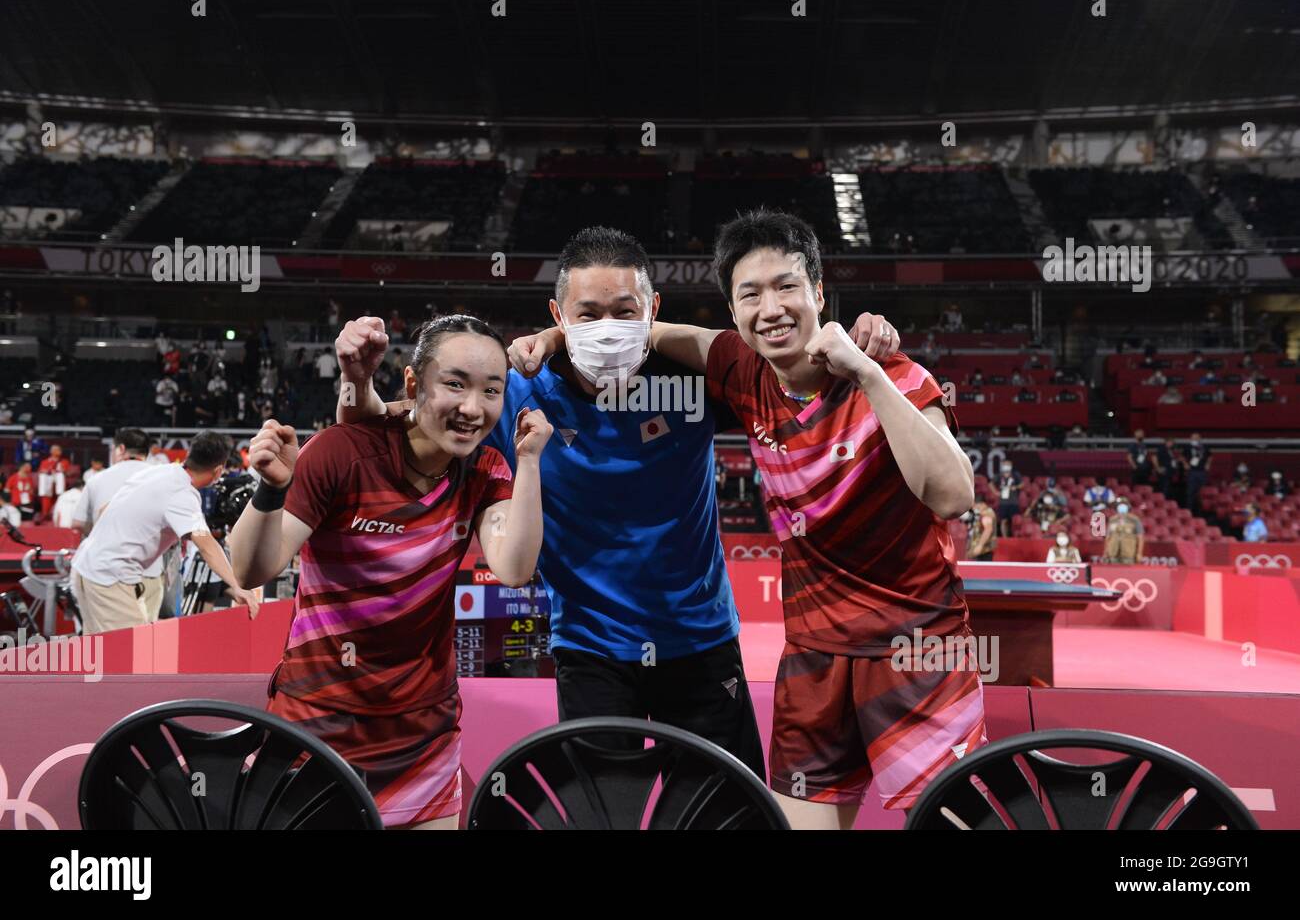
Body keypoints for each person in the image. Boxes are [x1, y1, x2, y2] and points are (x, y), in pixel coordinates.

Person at [345, 226, 901, 793]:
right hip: (590, 649)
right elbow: (391, 427)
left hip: (702, 641)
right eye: (587, 315)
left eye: (625, 311)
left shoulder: (694, 379)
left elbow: (797, 371)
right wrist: (355, 381)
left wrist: (869, 336)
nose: (607, 329)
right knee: (602, 814)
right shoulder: (512, 391)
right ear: (557, 313)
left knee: (725, 814)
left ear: (652, 310)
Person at [633, 208, 983, 828]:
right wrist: (556, 339)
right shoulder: (742, 369)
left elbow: (954, 496)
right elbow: (658, 332)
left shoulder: (898, 375)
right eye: (750, 294)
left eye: (786, 286)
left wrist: (870, 375)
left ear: (818, 293)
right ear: (735, 313)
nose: (771, 308)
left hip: (917, 650)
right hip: (813, 658)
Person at [230, 315, 550, 830]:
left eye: (492, 390)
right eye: (455, 384)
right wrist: (270, 491)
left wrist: (530, 461)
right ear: (412, 384)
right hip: (317, 720)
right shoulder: (341, 452)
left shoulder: (487, 469)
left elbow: (513, 568)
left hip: (424, 732)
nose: (473, 408)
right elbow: (251, 568)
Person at [71, 432, 257, 635]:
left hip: (85, 567)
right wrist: (237, 586)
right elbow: (207, 545)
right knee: (129, 658)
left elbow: (103, 511)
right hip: (109, 578)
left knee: (101, 656)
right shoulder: (182, 494)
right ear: (218, 470)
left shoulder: (158, 471)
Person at [72, 428, 153, 537]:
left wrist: (96, 535)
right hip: (149, 550)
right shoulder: (162, 477)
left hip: (105, 549)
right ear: (147, 452)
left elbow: (78, 523)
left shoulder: (96, 479)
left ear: (121, 449)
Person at [37, 444, 72, 522]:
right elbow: (41, 471)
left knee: (59, 475)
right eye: (57, 450)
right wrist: (49, 471)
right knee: (44, 476)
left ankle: (60, 493)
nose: (59, 451)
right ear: (51, 451)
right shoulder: (45, 461)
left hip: (60, 482)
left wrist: (58, 471)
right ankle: (45, 512)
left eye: (59, 450)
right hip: (48, 482)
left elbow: (67, 472)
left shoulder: (64, 461)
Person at [1102, 499, 1144, 564]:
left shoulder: (1135, 520)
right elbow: (1108, 537)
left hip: (1128, 553)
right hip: (1113, 553)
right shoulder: (1112, 520)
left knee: (1128, 573)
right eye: (1119, 504)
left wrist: (1139, 553)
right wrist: (1105, 552)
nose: (1122, 506)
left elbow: (1140, 538)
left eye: (1124, 504)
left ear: (1128, 507)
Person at [1183, 432, 1212, 511]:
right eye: (1193, 438)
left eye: (1196, 438)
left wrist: (1208, 464)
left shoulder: (1204, 447)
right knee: (1190, 492)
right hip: (1192, 472)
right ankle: (1189, 510)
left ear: (1199, 438)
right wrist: (1185, 464)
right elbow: (1182, 457)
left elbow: (1210, 456)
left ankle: (1201, 510)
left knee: (1202, 493)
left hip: (1202, 471)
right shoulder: (1187, 447)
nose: (1194, 439)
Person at [995, 461, 1022, 537]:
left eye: (1008, 465)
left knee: (1014, 521)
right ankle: (1005, 537)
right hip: (1003, 502)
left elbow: (1022, 484)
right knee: (1004, 520)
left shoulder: (1015, 475)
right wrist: (996, 492)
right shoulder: (999, 475)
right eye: (1005, 465)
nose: (1006, 466)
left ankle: (1014, 536)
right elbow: (991, 484)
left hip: (1013, 502)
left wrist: (1016, 487)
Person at [966, 497, 997, 561]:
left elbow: (988, 529)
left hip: (984, 550)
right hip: (978, 550)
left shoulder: (987, 513)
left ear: (982, 504)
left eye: (975, 506)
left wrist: (980, 546)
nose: (973, 508)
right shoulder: (979, 514)